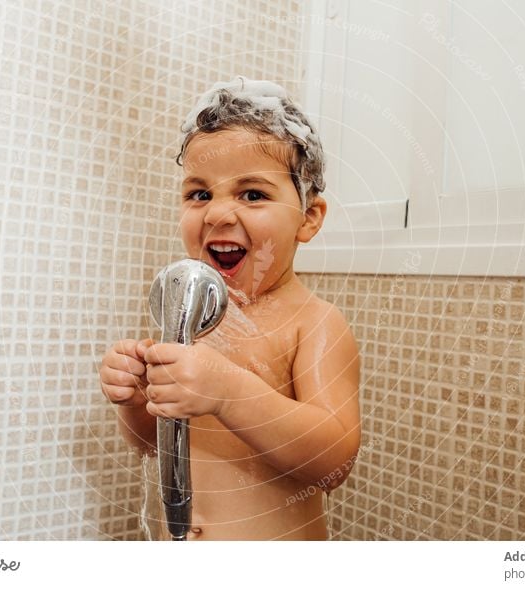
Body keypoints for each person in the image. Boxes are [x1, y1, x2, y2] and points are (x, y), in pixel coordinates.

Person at [100, 77, 360, 540]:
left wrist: (227, 392)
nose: (218, 213)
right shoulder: (186, 317)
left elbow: (333, 462)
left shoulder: (313, 323)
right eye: (200, 194)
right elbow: (153, 446)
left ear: (308, 217)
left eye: (252, 194)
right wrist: (135, 401)